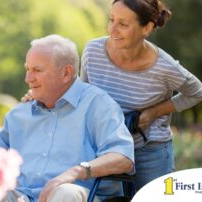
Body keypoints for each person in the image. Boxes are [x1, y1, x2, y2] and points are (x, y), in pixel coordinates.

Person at [0, 34, 134, 202]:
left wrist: (74, 173)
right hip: (22, 196)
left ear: (66, 73)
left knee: (65, 193)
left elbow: (123, 158)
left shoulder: (97, 104)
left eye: (37, 70)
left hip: (78, 195)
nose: (28, 79)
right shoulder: (19, 114)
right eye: (27, 69)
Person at [80, 0, 202, 191]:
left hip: (149, 150)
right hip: (104, 150)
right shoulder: (93, 51)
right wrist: (39, 97)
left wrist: (154, 112)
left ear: (147, 28)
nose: (113, 29)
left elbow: (197, 92)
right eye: (111, 20)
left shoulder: (165, 67)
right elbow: (83, 97)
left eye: (123, 24)